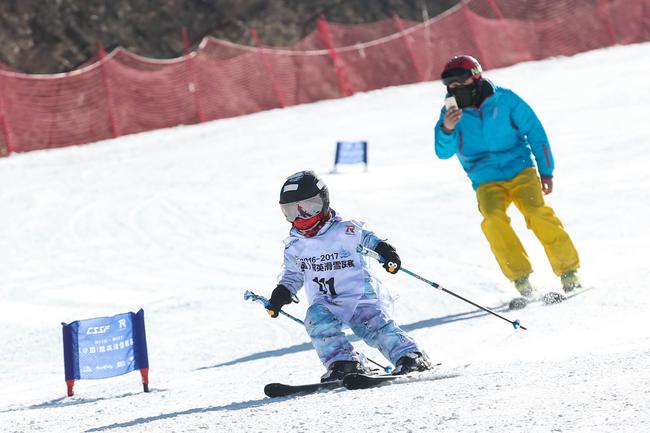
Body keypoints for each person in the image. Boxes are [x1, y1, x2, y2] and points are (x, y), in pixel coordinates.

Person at [434, 55, 581, 309]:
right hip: (485, 178)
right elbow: (442, 151)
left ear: (476, 77)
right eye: (450, 86)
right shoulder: (451, 112)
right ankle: (521, 279)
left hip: (520, 169)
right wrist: (446, 128)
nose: (456, 89)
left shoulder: (505, 100)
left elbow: (535, 131)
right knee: (492, 219)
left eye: (461, 82)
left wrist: (546, 171)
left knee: (536, 211)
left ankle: (569, 272)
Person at [266, 170, 431, 381]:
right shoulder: (295, 246)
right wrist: (280, 295)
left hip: (360, 295)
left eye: (308, 208)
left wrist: (387, 253)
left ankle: (409, 356)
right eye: (292, 212)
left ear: (323, 203)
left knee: (374, 326)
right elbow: (292, 275)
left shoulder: (346, 230)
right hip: (326, 301)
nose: (301, 218)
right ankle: (343, 362)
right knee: (316, 321)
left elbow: (371, 240)